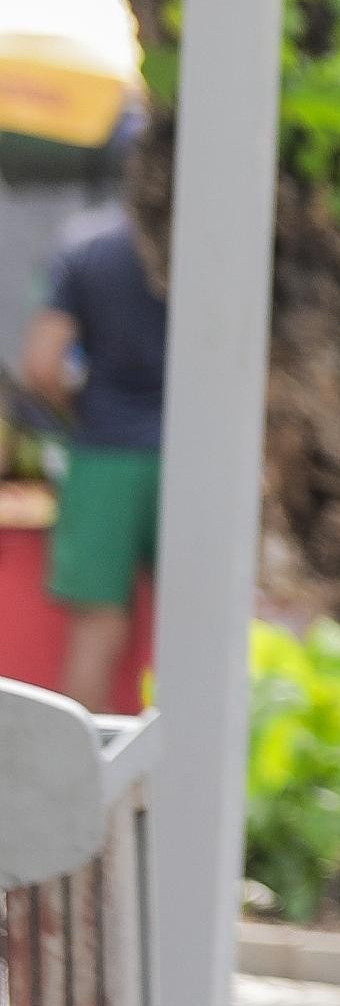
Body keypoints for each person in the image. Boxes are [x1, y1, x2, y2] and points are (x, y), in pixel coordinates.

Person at [18, 206, 171, 714]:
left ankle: (84, 785)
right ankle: (190, 784)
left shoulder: (87, 243)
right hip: (196, 461)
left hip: (104, 453)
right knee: (196, 629)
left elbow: (42, 363)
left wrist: (80, 409)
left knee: (96, 630)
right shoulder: (215, 237)